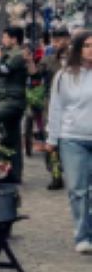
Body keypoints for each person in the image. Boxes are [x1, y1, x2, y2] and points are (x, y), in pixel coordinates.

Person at [47, 30, 92, 253]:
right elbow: (56, 108)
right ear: (77, 49)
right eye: (86, 45)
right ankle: (83, 235)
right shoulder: (64, 76)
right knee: (78, 189)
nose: (90, 50)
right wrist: (52, 138)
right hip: (73, 137)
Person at [0, 26, 30, 185]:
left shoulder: (19, 54)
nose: (2, 40)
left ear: (14, 39)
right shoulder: (12, 54)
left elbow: (3, 70)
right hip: (6, 98)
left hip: (12, 101)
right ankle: (14, 175)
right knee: (13, 139)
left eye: (5, 37)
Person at [42, 25, 72, 190]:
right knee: (51, 139)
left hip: (73, 105)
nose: (56, 43)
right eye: (54, 40)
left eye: (59, 40)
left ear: (68, 40)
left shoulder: (78, 58)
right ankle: (55, 175)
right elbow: (34, 74)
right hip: (52, 104)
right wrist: (30, 62)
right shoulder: (49, 60)